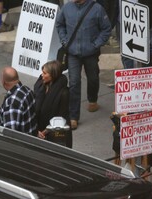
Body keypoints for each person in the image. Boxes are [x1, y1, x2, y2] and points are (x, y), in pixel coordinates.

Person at [56, 0, 111, 130]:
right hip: (72, 53)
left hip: (91, 53)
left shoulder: (97, 8)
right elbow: (60, 24)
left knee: (93, 78)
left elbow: (106, 29)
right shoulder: (67, 7)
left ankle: (92, 99)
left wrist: (96, 45)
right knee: (74, 82)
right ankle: (73, 116)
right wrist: (64, 40)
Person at [34, 60, 72, 148]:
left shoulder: (64, 93)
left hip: (55, 133)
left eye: (45, 73)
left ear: (53, 75)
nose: (42, 75)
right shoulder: (40, 85)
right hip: (38, 130)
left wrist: (44, 132)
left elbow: (60, 117)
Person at [0, 66, 37, 136]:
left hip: (22, 144)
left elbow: (10, 134)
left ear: (4, 82)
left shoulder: (11, 103)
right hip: (31, 137)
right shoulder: (28, 91)